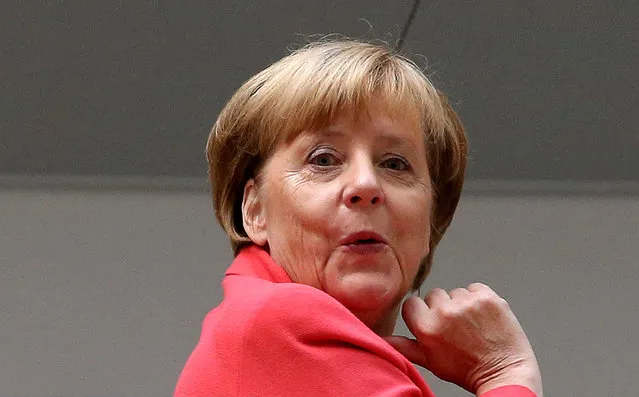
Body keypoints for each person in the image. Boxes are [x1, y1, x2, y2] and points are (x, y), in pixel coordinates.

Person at [174, 39, 543, 397]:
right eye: (323, 160)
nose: (366, 185)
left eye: (395, 164)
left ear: (431, 220)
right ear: (254, 210)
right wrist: (505, 372)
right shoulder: (280, 319)